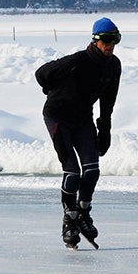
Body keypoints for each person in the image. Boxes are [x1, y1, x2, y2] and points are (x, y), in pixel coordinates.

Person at [35, 17, 123, 249]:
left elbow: (108, 101)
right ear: (95, 41)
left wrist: (105, 129)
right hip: (58, 117)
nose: (110, 45)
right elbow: (41, 74)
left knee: (92, 170)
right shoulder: (78, 61)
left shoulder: (114, 65)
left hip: (83, 119)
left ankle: (83, 212)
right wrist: (50, 88)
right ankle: (69, 219)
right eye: (106, 40)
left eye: (115, 40)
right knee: (72, 172)